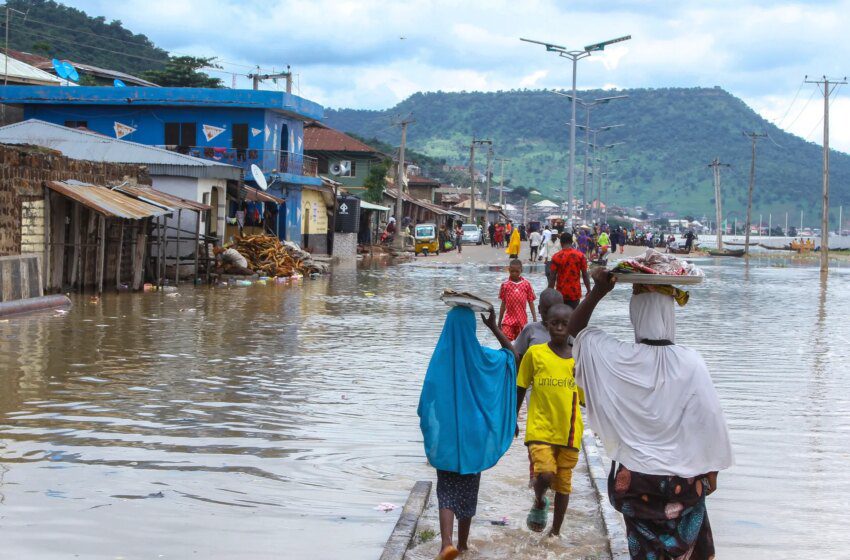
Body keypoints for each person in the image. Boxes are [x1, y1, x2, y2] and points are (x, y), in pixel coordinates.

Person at [568, 269, 734, 560]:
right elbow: (710, 419)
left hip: (635, 481)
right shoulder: (691, 362)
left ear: (635, 315)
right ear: (670, 315)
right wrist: (712, 472)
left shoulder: (616, 357)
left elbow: (575, 330)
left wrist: (598, 291)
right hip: (683, 483)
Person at [418, 307, 517, 560]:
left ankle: (446, 544)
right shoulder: (483, 357)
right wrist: (495, 327)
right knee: (468, 492)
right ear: (472, 329)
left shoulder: (441, 358)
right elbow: (512, 356)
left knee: (447, 492)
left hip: (449, 438)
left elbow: (427, 398)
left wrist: (434, 429)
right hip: (475, 437)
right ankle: (462, 546)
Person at [516, 304, 584, 537]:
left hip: (569, 432)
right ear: (546, 324)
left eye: (564, 324)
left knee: (564, 484)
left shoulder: (578, 359)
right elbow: (521, 386)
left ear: (571, 327)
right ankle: (539, 499)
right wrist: (513, 418)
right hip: (540, 429)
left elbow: (587, 399)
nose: (558, 327)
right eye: (554, 323)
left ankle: (555, 532)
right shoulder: (535, 354)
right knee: (545, 474)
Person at [513, 288, 566, 485]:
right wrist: (514, 415)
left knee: (558, 438)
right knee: (537, 433)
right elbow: (517, 357)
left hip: (560, 391)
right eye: (545, 311)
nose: (549, 317)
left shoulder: (569, 331)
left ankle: (552, 480)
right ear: (540, 310)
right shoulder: (531, 330)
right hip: (534, 388)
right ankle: (536, 480)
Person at [548, 232, 591, 308]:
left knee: (561, 318)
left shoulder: (556, 257)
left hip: (560, 294)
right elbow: (585, 275)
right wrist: (588, 290)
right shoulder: (580, 256)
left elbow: (552, 278)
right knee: (573, 317)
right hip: (575, 293)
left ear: (561, 243)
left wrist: (549, 293)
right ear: (571, 242)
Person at [498, 259, 537, 341]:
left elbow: (530, 302)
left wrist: (534, 319)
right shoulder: (505, 285)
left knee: (521, 343)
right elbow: (503, 304)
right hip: (508, 319)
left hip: (522, 320)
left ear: (521, 270)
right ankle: (508, 353)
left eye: (517, 271)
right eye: (512, 271)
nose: (514, 274)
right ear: (509, 270)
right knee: (505, 340)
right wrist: (499, 321)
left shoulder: (526, 284)